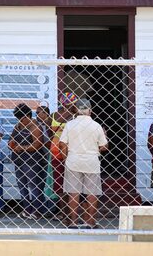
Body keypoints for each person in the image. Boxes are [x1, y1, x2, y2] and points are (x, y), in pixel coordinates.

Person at [59, 98, 108, 229]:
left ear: (76, 110)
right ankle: (90, 222)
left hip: (73, 161)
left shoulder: (70, 125)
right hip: (91, 161)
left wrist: (66, 158)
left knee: (73, 192)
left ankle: (73, 222)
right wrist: (93, 148)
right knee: (92, 193)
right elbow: (104, 146)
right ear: (90, 111)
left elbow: (62, 143)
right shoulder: (97, 126)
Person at [9, 103, 46, 220]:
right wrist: (12, 146)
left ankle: (37, 211)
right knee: (22, 185)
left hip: (32, 161)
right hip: (18, 160)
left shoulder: (35, 127)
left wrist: (22, 148)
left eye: (20, 118)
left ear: (26, 117)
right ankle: (26, 209)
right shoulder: (18, 126)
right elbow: (11, 140)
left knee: (34, 186)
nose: (19, 121)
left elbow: (38, 144)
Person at [49, 92, 77, 211]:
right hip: (71, 149)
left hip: (55, 148)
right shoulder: (75, 116)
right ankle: (70, 212)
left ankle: (63, 212)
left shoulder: (54, 115)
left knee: (59, 181)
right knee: (72, 181)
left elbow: (50, 133)